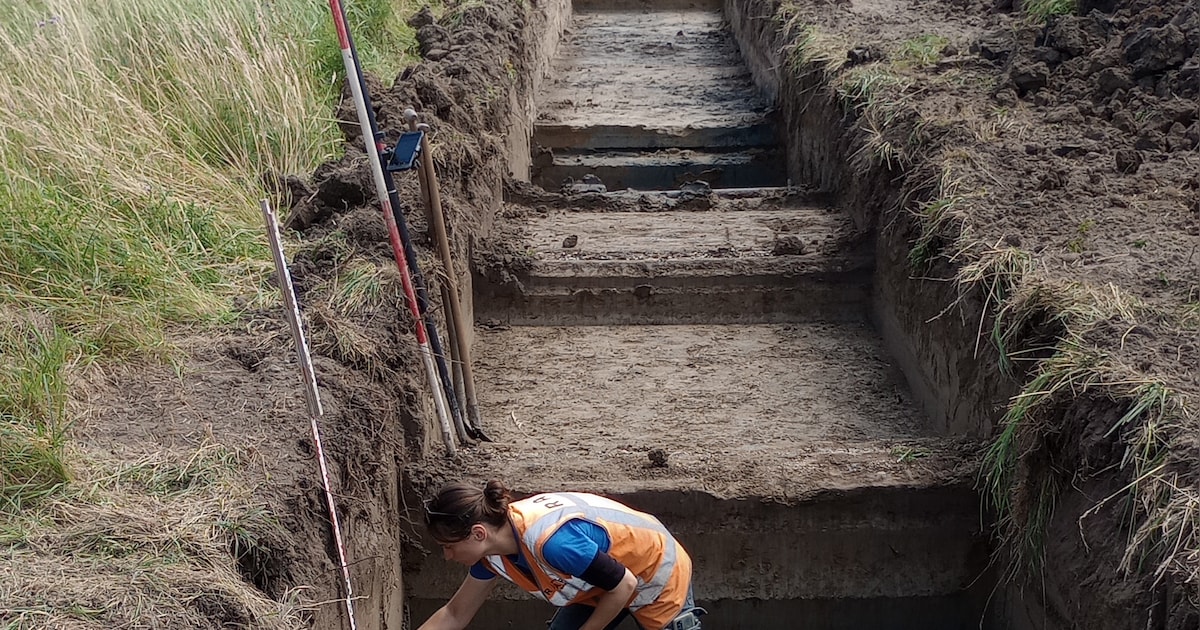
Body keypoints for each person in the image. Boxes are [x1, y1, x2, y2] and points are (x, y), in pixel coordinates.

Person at [417, 479, 705, 630]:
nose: (447, 556)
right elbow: (454, 614)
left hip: (653, 574)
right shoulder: (492, 553)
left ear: (478, 533)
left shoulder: (552, 543)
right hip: (599, 582)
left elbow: (625, 585)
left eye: (449, 545)